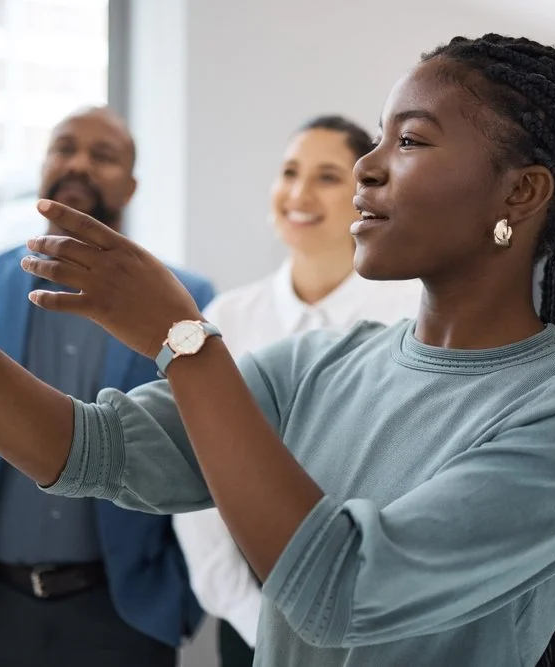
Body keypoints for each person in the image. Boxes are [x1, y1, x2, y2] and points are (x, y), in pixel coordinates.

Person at [0, 33, 555, 667]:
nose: (368, 172)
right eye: (377, 141)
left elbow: (337, 589)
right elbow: (81, 449)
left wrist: (185, 342)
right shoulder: (321, 363)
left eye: (410, 142)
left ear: (521, 193)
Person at [0, 106, 211, 667]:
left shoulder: (185, 297)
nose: (78, 163)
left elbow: (205, 452)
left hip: (123, 615)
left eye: (103, 156)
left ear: (132, 184)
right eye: (64, 147)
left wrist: (181, 599)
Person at [171, 115, 421, 667]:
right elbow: (196, 479)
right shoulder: (223, 320)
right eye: (289, 172)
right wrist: (251, 617)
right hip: (250, 623)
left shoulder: (416, 319)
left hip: (382, 626)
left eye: (328, 177)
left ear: (368, 192)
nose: (299, 193)